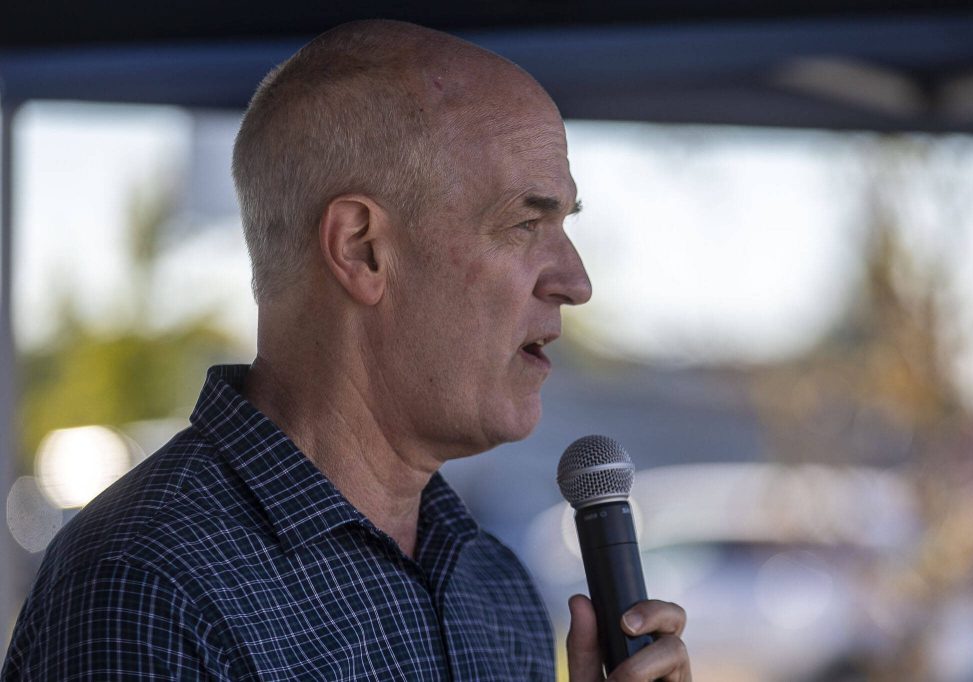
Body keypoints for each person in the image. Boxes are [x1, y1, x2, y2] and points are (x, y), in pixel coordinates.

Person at [2, 20, 690, 681]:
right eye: (524, 223)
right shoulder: (149, 590)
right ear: (361, 249)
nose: (576, 282)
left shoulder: (493, 585)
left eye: (565, 225)